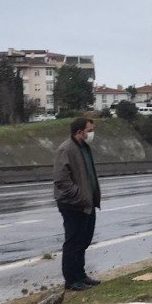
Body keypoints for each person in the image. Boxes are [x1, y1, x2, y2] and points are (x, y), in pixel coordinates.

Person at [53, 117, 102, 291]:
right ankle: (71, 280)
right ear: (79, 132)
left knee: (83, 241)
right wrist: (80, 195)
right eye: (89, 130)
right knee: (73, 242)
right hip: (73, 205)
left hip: (87, 204)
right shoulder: (66, 149)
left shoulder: (84, 148)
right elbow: (61, 180)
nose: (92, 133)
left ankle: (81, 275)